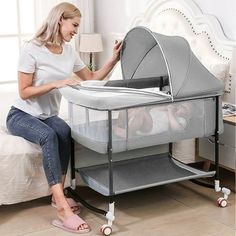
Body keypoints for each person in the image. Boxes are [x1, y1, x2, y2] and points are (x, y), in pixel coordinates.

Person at [6, 2, 122, 234]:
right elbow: (24, 91)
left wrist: (113, 60)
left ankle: (55, 195)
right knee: (48, 135)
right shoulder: (32, 48)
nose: (75, 31)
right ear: (60, 19)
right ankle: (61, 207)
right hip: (21, 115)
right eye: (74, 25)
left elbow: (90, 77)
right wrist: (57, 83)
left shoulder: (69, 52)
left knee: (65, 132)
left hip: (48, 115)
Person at [114, 102, 192, 138]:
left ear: (187, 114)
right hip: (140, 120)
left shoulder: (181, 120)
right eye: (181, 105)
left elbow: (176, 129)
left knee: (142, 113)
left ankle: (128, 133)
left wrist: (170, 112)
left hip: (150, 127)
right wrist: (166, 107)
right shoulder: (168, 110)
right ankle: (120, 126)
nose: (181, 107)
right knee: (125, 109)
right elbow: (153, 110)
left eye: (184, 108)